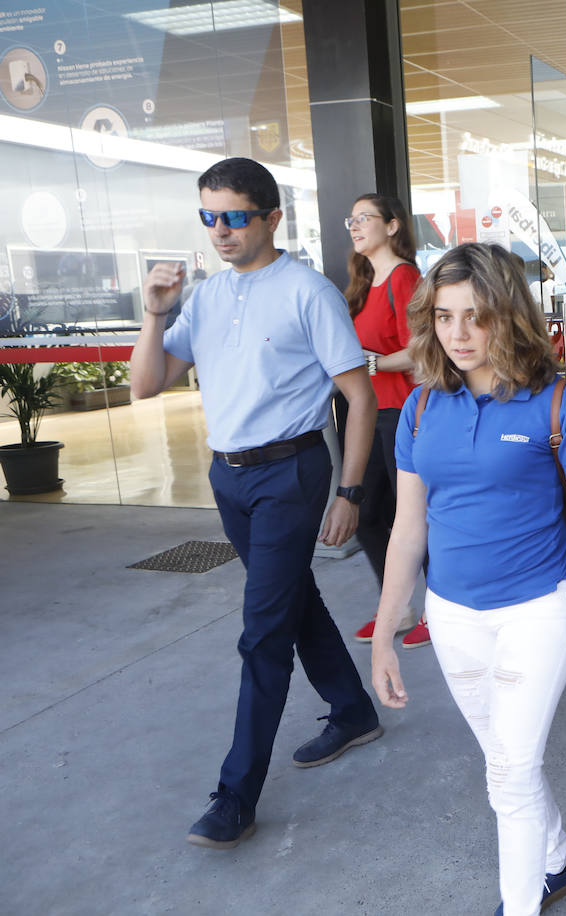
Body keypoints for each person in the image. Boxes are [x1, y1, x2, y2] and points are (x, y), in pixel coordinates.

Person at [369, 243, 566, 916]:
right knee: (509, 763)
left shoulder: (559, 405)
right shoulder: (419, 409)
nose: (459, 334)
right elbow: (408, 531)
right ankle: (555, 861)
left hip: (539, 612)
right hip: (452, 617)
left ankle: (520, 904)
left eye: (476, 316)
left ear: (509, 315)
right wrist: (386, 631)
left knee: (508, 773)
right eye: (444, 318)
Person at [132, 157, 382, 850]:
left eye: (235, 216)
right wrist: (154, 315)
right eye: (209, 216)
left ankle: (236, 794)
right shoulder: (207, 298)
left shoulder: (307, 291)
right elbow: (146, 385)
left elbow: (358, 397)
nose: (220, 230)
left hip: (291, 473)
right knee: (289, 600)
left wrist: (350, 491)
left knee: (262, 631)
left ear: (271, 217)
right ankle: (352, 709)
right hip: (229, 478)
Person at [341, 193, 431, 649]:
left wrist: (370, 366)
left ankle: (438, 611)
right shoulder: (362, 282)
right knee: (367, 514)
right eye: (351, 220)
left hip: (402, 410)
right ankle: (396, 608)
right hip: (369, 413)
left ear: (393, 226)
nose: (355, 227)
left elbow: (421, 346)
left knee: (415, 516)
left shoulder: (403, 277)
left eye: (365, 219)